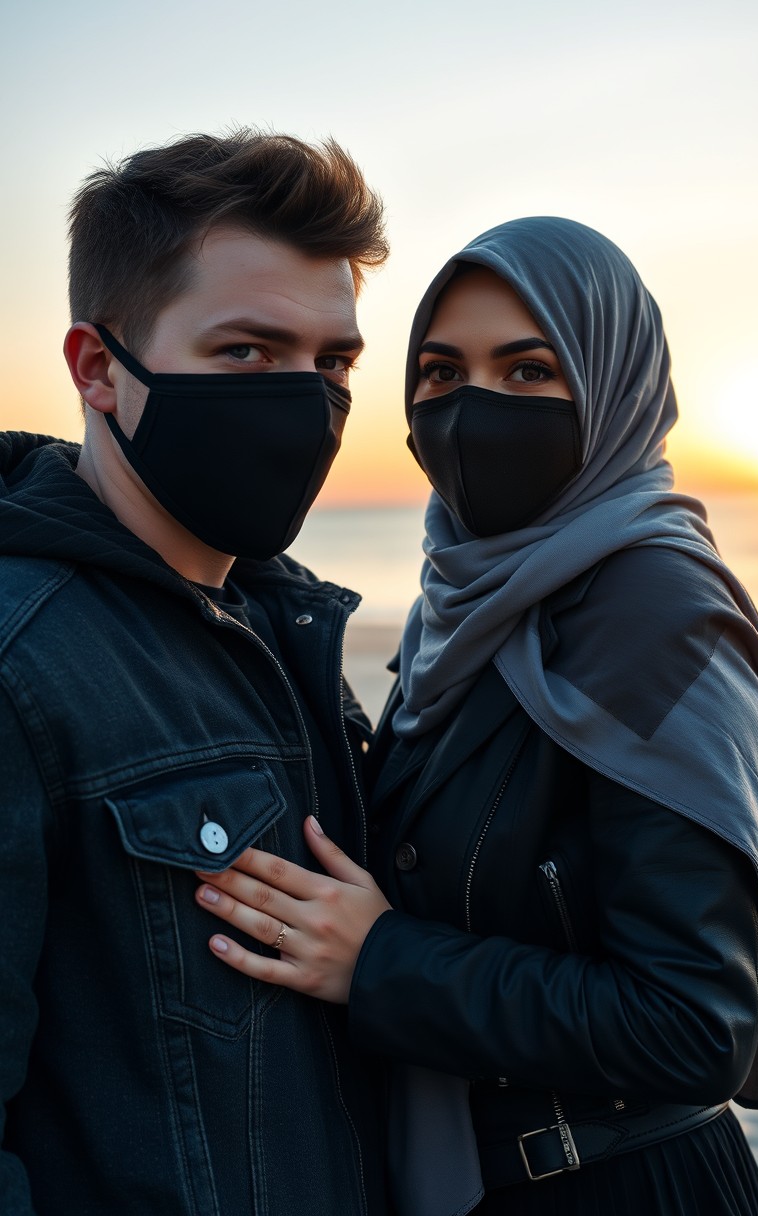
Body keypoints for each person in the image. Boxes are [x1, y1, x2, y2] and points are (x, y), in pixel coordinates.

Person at [193, 218, 758, 1215]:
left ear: (610, 386)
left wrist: (382, 960)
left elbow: (699, 1026)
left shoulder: (649, 609)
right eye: (440, 374)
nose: (471, 408)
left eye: (527, 372)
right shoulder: (468, 605)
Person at [0, 128, 391, 1215]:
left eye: (334, 361)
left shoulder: (283, 617)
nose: (307, 404)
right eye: (246, 353)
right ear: (97, 371)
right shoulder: (19, 661)